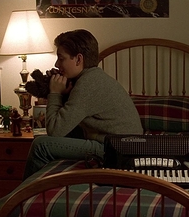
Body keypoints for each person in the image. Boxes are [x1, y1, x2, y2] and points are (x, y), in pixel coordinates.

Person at [23, 29, 143, 179]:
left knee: (40, 145)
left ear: (79, 59)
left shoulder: (88, 84)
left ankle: (24, 197)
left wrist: (54, 93)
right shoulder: (92, 78)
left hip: (117, 150)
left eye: (61, 58)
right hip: (121, 145)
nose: (56, 63)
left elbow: (55, 131)